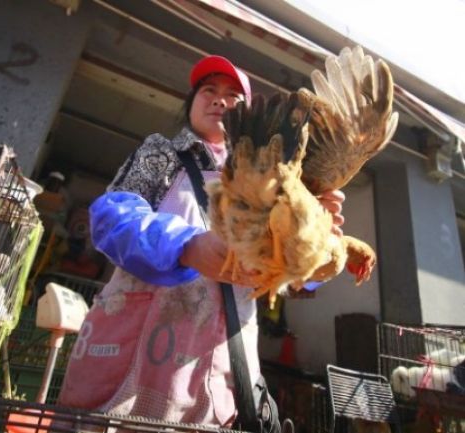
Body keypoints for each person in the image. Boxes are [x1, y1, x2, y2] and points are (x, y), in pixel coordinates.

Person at [56, 55, 345, 429]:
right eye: (209, 90)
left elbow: (288, 272)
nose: (219, 100)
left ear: (247, 118)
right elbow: (112, 217)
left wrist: (318, 248)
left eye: (233, 97)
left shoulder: (278, 181)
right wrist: (187, 246)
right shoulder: (162, 153)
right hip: (131, 351)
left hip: (217, 363)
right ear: (190, 102)